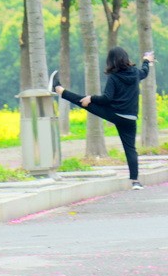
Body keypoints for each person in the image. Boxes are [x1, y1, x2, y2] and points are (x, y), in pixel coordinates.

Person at [51, 47, 154, 189]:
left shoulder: (114, 77)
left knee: (85, 102)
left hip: (115, 114)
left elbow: (106, 99)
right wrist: (147, 61)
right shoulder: (136, 73)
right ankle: (135, 181)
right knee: (130, 149)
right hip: (130, 118)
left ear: (111, 61)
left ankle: (59, 90)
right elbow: (145, 72)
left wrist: (91, 98)